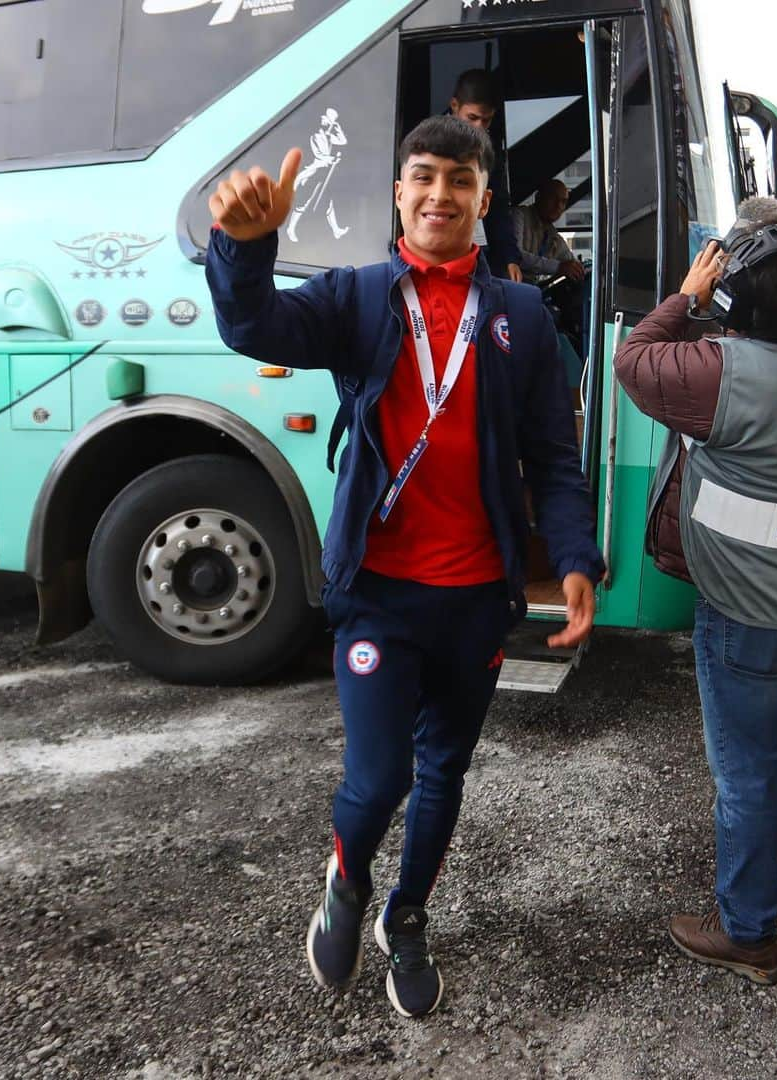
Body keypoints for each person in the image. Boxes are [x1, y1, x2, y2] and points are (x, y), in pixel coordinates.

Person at [205, 115, 604, 1018]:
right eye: (422, 177)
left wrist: (575, 556)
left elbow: (552, 455)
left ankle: (408, 916)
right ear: (398, 192)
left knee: (445, 775)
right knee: (379, 777)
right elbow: (255, 324)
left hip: (474, 599)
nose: (438, 196)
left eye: (458, 183)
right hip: (379, 596)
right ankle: (346, 888)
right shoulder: (355, 297)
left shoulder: (524, 317)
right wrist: (247, 247)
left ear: (482, 200)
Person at [613, 197, 777, 986]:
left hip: (745, 614)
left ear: (739, 298)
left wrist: (687, 296)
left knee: (746, 773)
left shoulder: (721, 373)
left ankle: (747, 935)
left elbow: (633, 360)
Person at [448, 69, 523, 283]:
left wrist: (510, 257)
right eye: (472, 118)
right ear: (454, 106)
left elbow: (498, 206)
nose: (479, 128)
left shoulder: (491, 150)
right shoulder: (429, 142)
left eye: (486, 120)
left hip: (483, 252)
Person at [286, 106, 349, 243]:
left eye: (329, 122)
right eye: (326, 121)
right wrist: (332, 159)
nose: (326, 124)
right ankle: (291, 229)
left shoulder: (329, 136)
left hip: (325, 173)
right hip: (314, 172)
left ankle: (336, 230)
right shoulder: (315, 135)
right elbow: (319, 155)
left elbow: (343, 141)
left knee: (328, 202)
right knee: (304, 201)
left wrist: (336, 126)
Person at [511, 179, 585, 286]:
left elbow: (570, 262)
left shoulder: (553, 236)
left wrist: (578, 269)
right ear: (538, 197)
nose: (558, 206)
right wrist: (558, 267)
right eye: (553, 198)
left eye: (563, 202)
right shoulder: (519, 216)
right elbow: (516, 255)